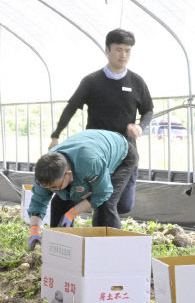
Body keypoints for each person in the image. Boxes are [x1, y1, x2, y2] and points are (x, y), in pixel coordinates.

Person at [48, 28, 153, 216]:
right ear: (107, 50)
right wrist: (56, 135)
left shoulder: (137, 82)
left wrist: (140, 126)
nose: (123, 55)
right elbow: (71, 107)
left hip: (125, 153)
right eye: (118, 49)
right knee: (102, 203)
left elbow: (148, 110)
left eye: (127, 51)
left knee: (124, 205)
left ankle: (94, 210)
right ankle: (70, 232)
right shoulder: (92, 81)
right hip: (94, 153)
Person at [26, 129, 137, 251]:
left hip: (121, 154)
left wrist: (72, 213)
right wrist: (34, 231)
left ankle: (108, 250)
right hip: (91, 148)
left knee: (106, 205)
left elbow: (102, 193)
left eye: (54, 187)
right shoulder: (45, 170)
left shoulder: (90, 163)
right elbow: (38, 201)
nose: (50, 190)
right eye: (47, 187)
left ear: (68, 174)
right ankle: (61, 249)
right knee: (59, 202)